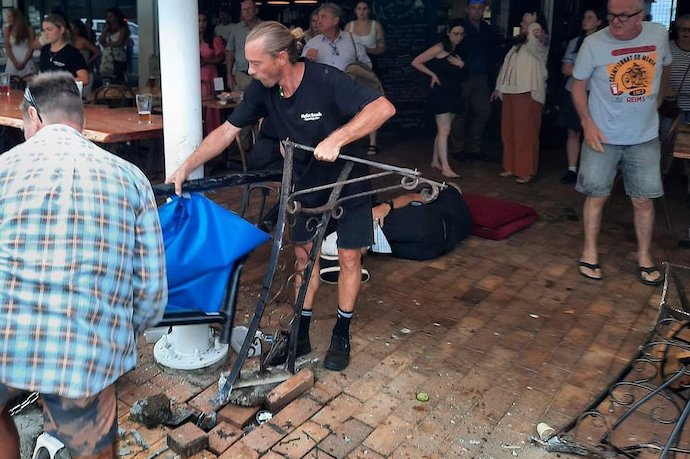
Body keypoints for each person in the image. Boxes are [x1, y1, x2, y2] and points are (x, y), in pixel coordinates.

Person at [0, 71, 167, 459]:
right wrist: (116, 337)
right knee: (94, 440)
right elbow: (150, 295)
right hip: (84, 353)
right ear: (81, 120)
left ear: (34, 116)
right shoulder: (132, 180)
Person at [167, 21, 395, 371]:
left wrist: (338, 138)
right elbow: (228, 131)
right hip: (304, 183)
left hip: (347, 182)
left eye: (257, 63)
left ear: (282, 58)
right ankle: (301, 330)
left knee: (349, 259)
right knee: (305, 260)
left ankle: (341, 331)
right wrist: (187, 166)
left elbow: (382, 108)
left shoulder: (326, 80)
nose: (250, 70)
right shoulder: (263, 90)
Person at [572, 0, 672, 285]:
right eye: (611, 15)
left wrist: (660, 97)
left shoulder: (657, 35)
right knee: (596, 195)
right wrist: (587, 123)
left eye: (623, 16)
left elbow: (665, 67)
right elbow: (578, 86)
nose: (615, 22)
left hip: (643, 136)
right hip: (601, 135)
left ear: (640, 15)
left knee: (643, 200)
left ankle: (644, 256)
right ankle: (589, 252)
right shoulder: (593, 44)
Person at [323, 183, 471, 262]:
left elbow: (414, 196)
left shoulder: (445, 191)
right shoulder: (466, 220)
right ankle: (356, 250)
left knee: (374, 220)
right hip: (432, 249)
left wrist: (388, 205)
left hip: (427, 223)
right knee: (384, 238)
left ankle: (355, 248)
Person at [303, 3, 376, 154]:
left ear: (335, 20)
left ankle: (350, 156)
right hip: (322, 94)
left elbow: (366, 63)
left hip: (348, 91)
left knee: (350, 129)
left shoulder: (352, 39)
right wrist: (306, 59)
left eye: (324, 17)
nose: (319, 21)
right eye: (318, 18)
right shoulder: (312, 44)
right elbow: (301, 71)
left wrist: (354, 74)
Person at [491, 9, 549, 184]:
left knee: (525, 132)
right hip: (510, 91)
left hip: (527, 91)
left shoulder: (540, 41)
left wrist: (534, 25)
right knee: (508, 131)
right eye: (524, 22)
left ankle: (526, 170)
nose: (524, 24)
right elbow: (505, 67)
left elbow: (535, 40)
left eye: (528, 22)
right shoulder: (518, 45)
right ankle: (510, 166)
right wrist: (498, 87)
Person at [412, 20, 467, 178]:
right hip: (441, 92)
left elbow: (465, 75)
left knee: (443, 129)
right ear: (448, 32)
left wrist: (461, 65)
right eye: (455, 34)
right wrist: (432, 74)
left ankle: (435, 160)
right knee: (445, 129)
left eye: (461, 34)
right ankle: (445, 167)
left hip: (454, 92)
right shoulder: (439, 47)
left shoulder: (459, 49)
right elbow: (416, 61)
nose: (458, 37)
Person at [451, 0, 500, 162]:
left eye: (480, 8)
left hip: (481, 76)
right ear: (467, 9)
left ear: (484, 9)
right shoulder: (460, 27)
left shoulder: (487, 29)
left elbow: (494, 51)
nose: (477, 11)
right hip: (464, 76)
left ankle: (474, 147)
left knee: (484, 111)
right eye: (474, 8)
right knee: (460, 113)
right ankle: (458, 149)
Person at [559, 9, 604, 184]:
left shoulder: (604, 43)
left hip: (595, 92)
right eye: (584, 17)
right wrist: (586, 70)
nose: (586, 20)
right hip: (573, 90)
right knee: (573, 131)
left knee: (592, 132)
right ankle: (572, 169)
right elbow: (565, 69)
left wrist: (577, 70)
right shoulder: (574, 43)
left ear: (599, 22)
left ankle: (589, 169)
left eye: (590, 17)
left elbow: (602, 72)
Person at [345, 0, 388, 154]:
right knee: (352, 102)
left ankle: (373, 141)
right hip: (351, 67)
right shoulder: (349, 26)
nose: (362, 11)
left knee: (371, 102)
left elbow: (382, 47)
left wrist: (364, 50)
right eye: (359, 8)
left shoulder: (375, 26)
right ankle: (354, 137)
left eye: (364, 8)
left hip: (369, 65)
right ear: (355, 10)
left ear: (369, 10)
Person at [39, 14, 90, 90]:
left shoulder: (72, 53)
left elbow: (84, 78)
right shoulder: (45, 50)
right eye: (44, 30)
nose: (46, 33)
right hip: (45, 95)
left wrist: (60, 84)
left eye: (49, 29)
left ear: (61, 29)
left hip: (65, 96)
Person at [226, 0, 262, 92]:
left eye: (249, 9)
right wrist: (229, 75)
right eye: (244, 10)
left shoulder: (264, 27)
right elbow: (230, 52)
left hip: (260, 74)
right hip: (240, 75)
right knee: (240, 104)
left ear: (256, 10)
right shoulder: (236, 29)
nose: (247, 12)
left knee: (261, 104)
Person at [199, 12, 226, 132]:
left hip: (210, 74)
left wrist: (206, 61)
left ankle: (212, 133)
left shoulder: (214, 39)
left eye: (204, 20)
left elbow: (221, 57)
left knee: (210, 105)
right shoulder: (188, 39)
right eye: (198, 21)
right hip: (195, 76)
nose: (201, 24)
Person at [98, 8, 130, 85]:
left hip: (117, 58)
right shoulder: (107, 29)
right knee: (106, 80)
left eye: (111, 16)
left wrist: (107, 45)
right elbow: (100, 41)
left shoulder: (123, 29)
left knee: (117, 79)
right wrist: (106, 29)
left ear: (117, 17)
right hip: (106, 58)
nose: (109, 19)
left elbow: (120, 42)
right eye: (107, 17)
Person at [3, 8, 36, 80]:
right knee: (13, 85)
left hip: (27, 60)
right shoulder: (7, 29)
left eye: (10, 17)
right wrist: (15, 63)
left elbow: (31, 47)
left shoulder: (29, 29)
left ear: (16, 17)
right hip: (13, 61)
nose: (8, 19)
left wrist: (24, 62)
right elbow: (7, 47)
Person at [69, 19, 102, 85]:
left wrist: (87, 62)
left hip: (84, 72)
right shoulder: (68, 41)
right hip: (72, 73)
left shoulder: (83, 41)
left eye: (71, 27)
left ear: (77, 29)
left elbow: (97, 52)